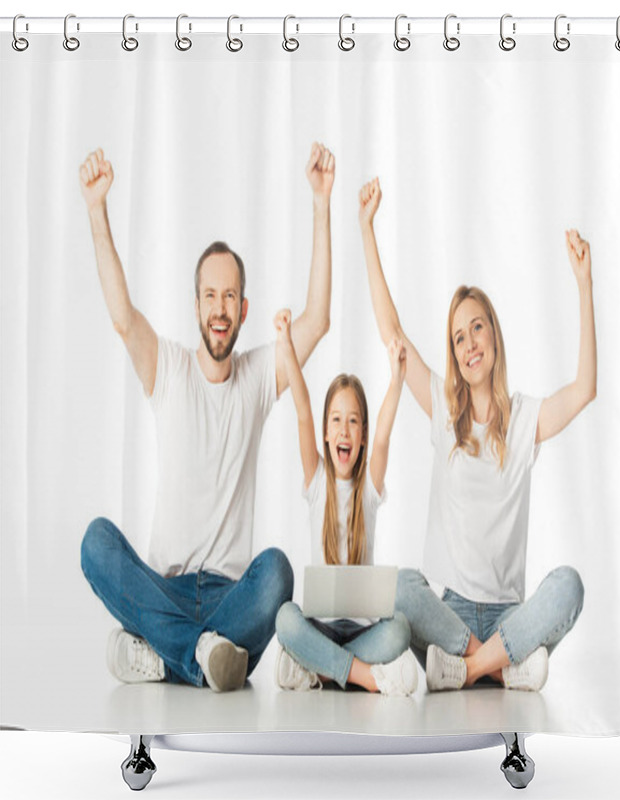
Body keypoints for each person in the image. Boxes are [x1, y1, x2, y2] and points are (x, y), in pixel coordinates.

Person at [78, 143, 336, 692]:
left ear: (243, 310)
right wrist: (97, 209)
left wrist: (320, 205)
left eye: (230, 298)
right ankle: (203, 655)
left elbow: (315, 322)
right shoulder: (167, 367)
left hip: (231, 593)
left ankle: (159, 651)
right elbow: (123, 319)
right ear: (196, 305)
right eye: (210, 296)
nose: (220, 309)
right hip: (163, 584)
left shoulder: (258, 377)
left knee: (278, 574)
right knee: (96, 542)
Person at [358, 177, 592, 692]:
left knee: (569, 585)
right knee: (399, 588)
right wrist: (366, 229)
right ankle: (497, 666)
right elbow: (393, 335)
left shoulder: (526, 417)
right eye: (458, 337)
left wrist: (583, 283)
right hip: (453, 617)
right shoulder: (444, 407)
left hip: (512, 618)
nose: (469, 343)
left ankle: (466, 671)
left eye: (477, 328)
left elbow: (584, 390)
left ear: (494, 334)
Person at [271, 309, 418, 696]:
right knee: (286, 618)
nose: (344, 429)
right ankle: (366, 677)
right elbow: (302, 409)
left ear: (363, 434)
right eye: (336, 420)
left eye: (353, 421)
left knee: (400, 628)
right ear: (324, 433)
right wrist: (286, 346)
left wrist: (397, 380)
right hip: (318, 623)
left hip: (362, 629)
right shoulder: (317, 480)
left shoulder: (368, 487)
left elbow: (384, 438)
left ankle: (318, 669)